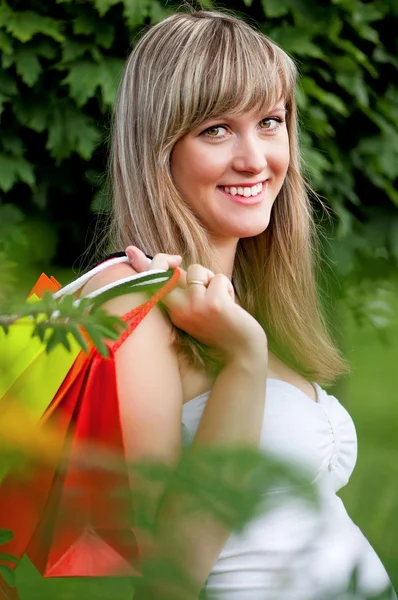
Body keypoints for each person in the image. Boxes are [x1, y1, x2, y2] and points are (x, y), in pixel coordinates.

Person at [81, 9, 397, 600]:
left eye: (270, 122)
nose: (256, 159)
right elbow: (164, 581)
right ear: (158, 148)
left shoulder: (238, 300)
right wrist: (245, 360)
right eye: (216, 130)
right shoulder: (132, 309)